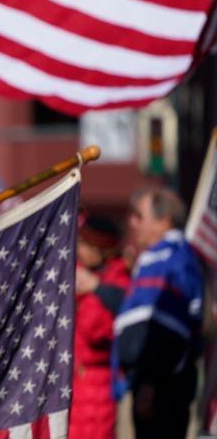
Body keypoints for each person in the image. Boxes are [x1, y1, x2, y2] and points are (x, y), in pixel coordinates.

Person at [112, 187, 203, 439]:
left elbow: (168, 328)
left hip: (162, 390)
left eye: (139, 216)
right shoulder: (155, 259)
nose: (132, 222)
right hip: (145, 384)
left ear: (163, 221)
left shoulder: (173, 260)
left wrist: (150, 383)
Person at [68, 213, 130, 439]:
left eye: (84, 245)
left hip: (96, 385)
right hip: (75, 383)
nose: (79, 251)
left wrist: (91, 292)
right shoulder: (82, 275)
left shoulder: (117, 281)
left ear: (101, 250)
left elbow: (96, 330)